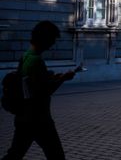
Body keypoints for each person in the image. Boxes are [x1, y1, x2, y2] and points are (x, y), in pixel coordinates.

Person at [2, 21, 76, 160]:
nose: (53, 43)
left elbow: (29, 83)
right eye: (53, 39)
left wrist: (51, 77)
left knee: (14, 155)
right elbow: (42, 91)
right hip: (39, 118)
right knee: (56, 156)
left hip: (24, 116)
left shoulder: (26, 55)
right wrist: (63, 79)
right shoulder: (36, 60)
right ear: (45, 39)